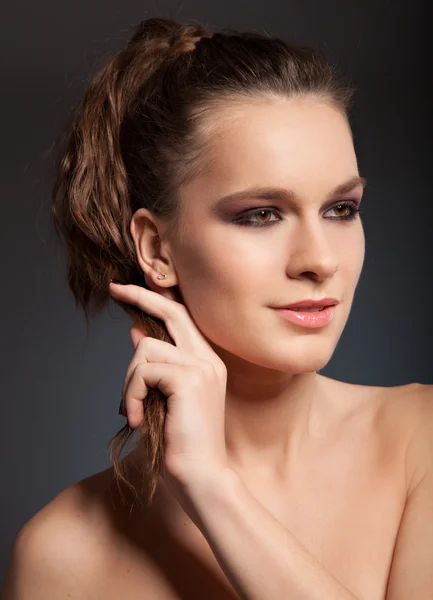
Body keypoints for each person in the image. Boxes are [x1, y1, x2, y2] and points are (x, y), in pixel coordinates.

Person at [2, 16, 433, 600]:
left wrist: (214, 488)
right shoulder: (65, 554)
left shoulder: (420, 442)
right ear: (157, 249)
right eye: (261, 214)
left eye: (341, 210)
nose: (320, 260)